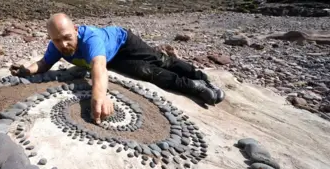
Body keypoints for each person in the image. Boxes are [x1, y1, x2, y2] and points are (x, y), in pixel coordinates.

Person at [11, 13, 225, 124]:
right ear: (51, 39)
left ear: (75, 30)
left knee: (161, 61)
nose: (64, 44)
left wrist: (99, 97)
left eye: (67, 37)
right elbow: (44, 63)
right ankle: (195, 87)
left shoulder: (90, 38)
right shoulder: (56, 45)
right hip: (112, 58)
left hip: (123, 42)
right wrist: (26, 70)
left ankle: (201, 77)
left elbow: (98, 67)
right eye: (57, 40)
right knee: (148, 73)